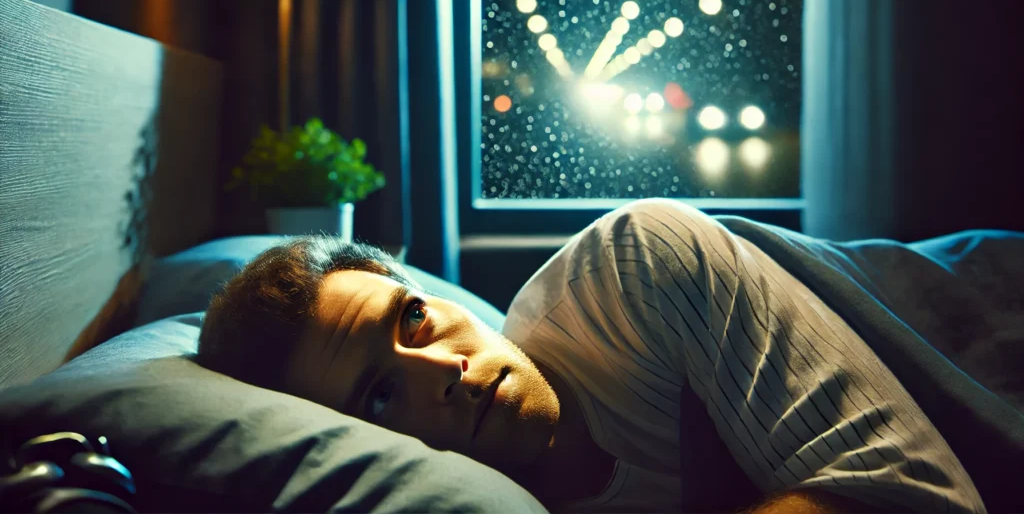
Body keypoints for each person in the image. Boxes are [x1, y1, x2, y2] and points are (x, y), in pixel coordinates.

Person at [196, 199, 986, 514]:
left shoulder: (632, 268)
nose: (445, 371)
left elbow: (920, 497)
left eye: (414, 318)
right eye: (378, 396)